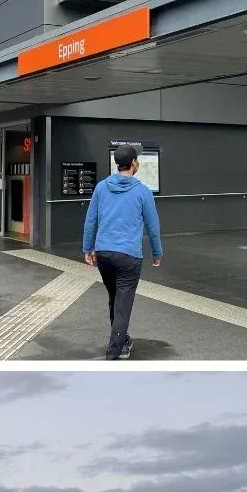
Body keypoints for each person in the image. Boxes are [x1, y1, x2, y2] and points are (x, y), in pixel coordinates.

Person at [82, 143, 163, 360]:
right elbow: (153, 226)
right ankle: (115, 352)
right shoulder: (142, 192)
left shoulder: (101, 187)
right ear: (134, 163)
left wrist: (88, 248)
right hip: (128, 256)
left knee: (115, 298)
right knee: (123, 304)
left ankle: (122, 338)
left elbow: (91, 220)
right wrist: (157, 253)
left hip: (104, 254)